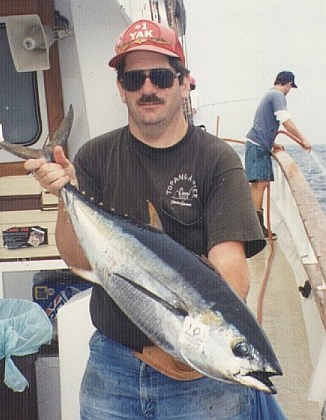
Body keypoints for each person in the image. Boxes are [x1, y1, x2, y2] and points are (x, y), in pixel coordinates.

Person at [25, 19, 285, 419]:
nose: (148, 88)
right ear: (121, 89)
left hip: (199, 381)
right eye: (134, 80)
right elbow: (79, 261)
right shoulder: (95, 156)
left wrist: (198, 347)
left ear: (184, 82)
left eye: (162, 76)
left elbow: (232, 271)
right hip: (114, 366)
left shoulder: (217, 161)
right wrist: (65, 194)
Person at [245, 71, 312, 238]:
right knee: (261, 184)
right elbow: (285, 121)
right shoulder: (278, 95)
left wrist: (273, 143)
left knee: (258, 184)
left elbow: (264, 123)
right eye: (290, 87)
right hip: (258, 146)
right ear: (288, 84)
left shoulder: (270, 94)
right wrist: (302, 139)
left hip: (257, 144)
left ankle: (255, 225)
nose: (289, 90)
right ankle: (257, 228)